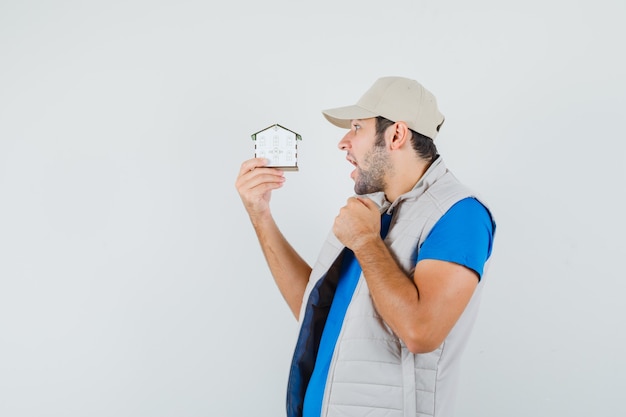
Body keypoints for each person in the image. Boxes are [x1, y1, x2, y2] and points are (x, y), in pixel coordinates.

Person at [235, 76, 496, 417]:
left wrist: (365, 241)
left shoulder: (459, 214)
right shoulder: (370, 210)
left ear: (396, 135)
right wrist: (260, 214)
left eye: (357, 127)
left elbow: (422, 332)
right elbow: (313, 308)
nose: (344, 142)